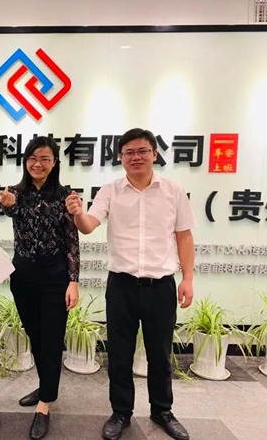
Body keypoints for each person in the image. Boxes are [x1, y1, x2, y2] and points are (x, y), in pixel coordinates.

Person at [65, 128, 195, 440]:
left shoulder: (173, 191)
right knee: (120, 355)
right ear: (121, 157)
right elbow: (88, 226)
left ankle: (162, 410)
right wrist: (78, 214)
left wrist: (188, 278)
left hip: (161, 286)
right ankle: (121, 412)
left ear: (154, 154)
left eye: (142, 151)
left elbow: (184, 236)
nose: (136, 157)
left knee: (160, 354)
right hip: (121, 286)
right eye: (129, 153)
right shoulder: (110, 191)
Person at [0, 136, 80, 440]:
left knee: (51, 339)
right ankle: (46, 386)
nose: (38, 163)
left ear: (55, 162)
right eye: (33, 158)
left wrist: (73, 281)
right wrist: (7, 207)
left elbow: (72, 241)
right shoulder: (16, 193)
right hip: (23, 276)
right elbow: (12, 213)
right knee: (35, 335)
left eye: (45, 158)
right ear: (25, 161)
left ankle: (44, 404)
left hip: (55, 276)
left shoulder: (65, 196)